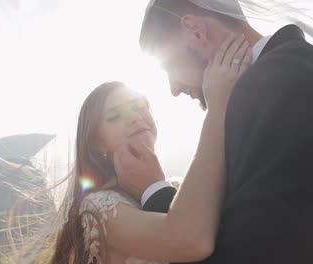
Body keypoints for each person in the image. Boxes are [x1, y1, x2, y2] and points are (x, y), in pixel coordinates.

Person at [114, 1, 313, 263]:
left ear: (195, 31)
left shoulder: (267, 88)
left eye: (168, 67)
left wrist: (155, 193)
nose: (174, 89)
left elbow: (252, 252)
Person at [30, 36, 250, 264]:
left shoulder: (176, 185)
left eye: (138, 107)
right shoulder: (99, 206)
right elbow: (191, 241)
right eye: (114, 117)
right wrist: (217, 107)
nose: (134, 118)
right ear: (98, 142)